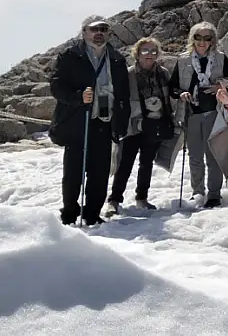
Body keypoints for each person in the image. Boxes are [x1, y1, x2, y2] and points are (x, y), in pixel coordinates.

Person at [49, 15, 130, 226]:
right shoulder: (69, 55)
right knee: (73, 173)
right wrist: (78, 97)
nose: (99, 33)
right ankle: (69, 213)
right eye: (94, 29)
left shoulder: (117, 59)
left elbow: (123, 94)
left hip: (104, 122)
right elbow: (57, 86)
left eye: (103, 29)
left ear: (109, 33)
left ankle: (92, 213)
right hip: (77, 122)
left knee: (100, 173)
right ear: (84, 32)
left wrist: (120, 124)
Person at [169, 21, 228, 208]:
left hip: (214, 112)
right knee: (195, 156)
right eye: (198, 37)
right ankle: (198, 192)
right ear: (193, 39)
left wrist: (220, 85)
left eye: (207, 38)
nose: (202, 42)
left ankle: (214, 194)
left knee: (213, 154)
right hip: (191, 113)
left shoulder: (221, 59)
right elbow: (172, 87)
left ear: (212, 40)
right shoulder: (183, 60)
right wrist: (180, 94)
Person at [106, 38, 175, 216]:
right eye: (145, 51)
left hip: (155, 124)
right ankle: (114, 200)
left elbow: (170, 96)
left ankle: (141, 198)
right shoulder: (128, 74)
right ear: (137, 53)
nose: (149, 54)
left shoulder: (163, 73)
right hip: (132, 125)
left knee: (147, 163)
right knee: (124, 163)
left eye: (153, 51)